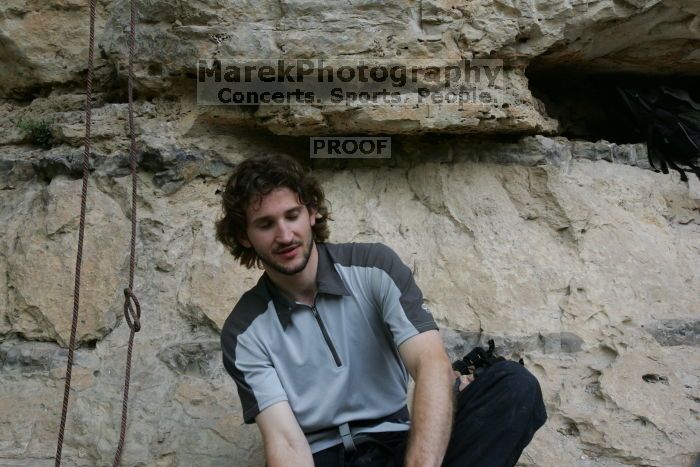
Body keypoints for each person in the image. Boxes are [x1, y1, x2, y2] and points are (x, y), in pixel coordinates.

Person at [216, 154, 547, 467]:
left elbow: (430, 364)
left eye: (292, 216)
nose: (285, 235)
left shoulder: (375, 266)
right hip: (322, 457)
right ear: (245, 236)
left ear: (312, 211)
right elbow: (286, 443)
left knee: (514, 385)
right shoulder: (243, 330)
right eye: (265, 224)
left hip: (397, 446)